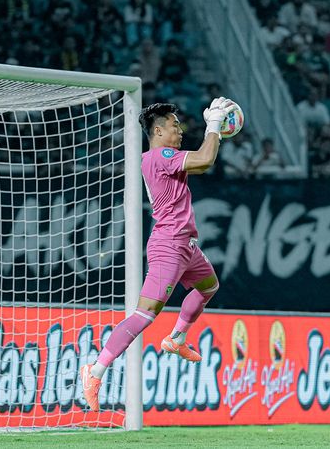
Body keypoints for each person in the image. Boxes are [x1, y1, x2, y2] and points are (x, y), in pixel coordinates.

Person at [80, 98, 237, 411]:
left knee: (208, 287)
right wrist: (214, 126)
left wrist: (213, 129)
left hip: (186, 246)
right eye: (175, 126)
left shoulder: (165, 156)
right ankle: (95, 371)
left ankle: (176, 339)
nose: (180, 131)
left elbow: (201, 159)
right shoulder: (159, 156)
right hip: (168, 245)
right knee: (144, 316)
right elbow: (205, 160)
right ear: (158, 131)